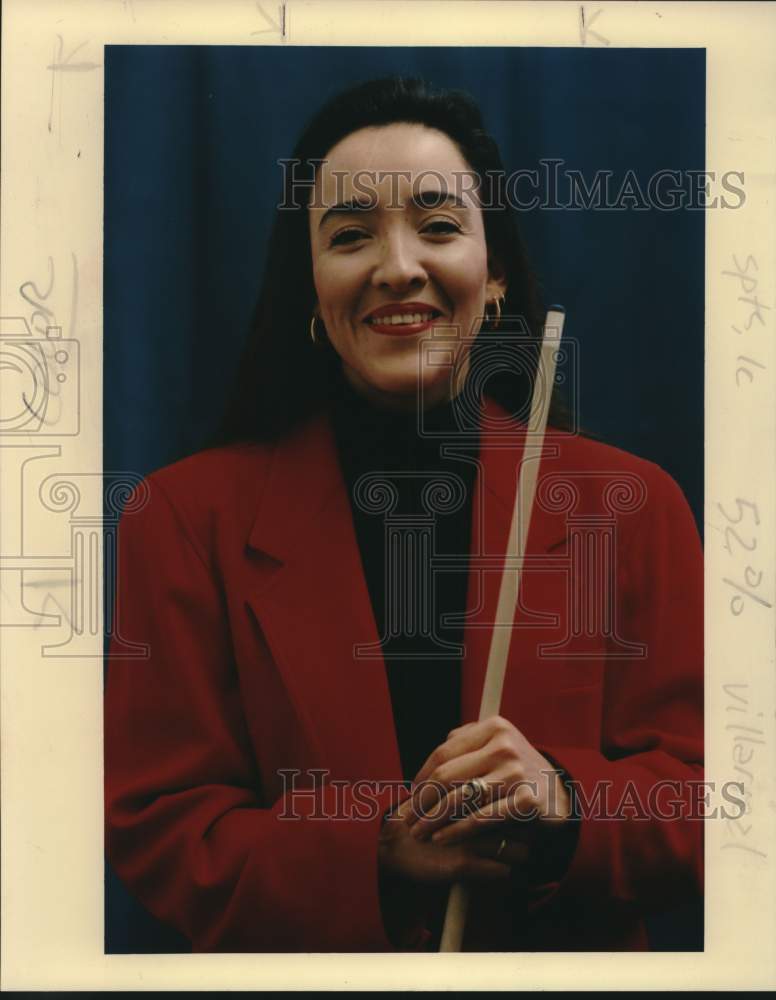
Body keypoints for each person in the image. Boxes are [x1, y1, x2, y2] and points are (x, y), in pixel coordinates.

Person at [104, 76, 704, 953]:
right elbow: (161, 825)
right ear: (309, 287)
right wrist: (374, 852)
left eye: (438, 225)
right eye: (349, 234)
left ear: (493, 272)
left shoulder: (635, 505)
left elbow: (716, 800)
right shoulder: (182, 518)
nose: (397, 265)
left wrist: (568, 805)